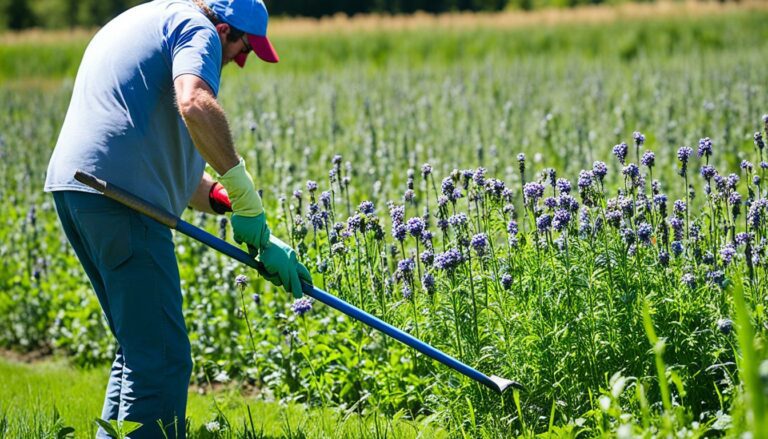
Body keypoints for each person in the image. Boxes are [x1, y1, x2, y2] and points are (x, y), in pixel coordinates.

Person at [43, 0, 312, 437]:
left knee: (139, 350)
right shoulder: (197, 29)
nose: (243, 62)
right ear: (224, 31)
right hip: (122, 201)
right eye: (244, 48)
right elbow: (195, 104)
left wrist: (240, 212)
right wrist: (247, 195)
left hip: (80, 191)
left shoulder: (147, 19)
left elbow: (179, 178)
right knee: (163, 357)